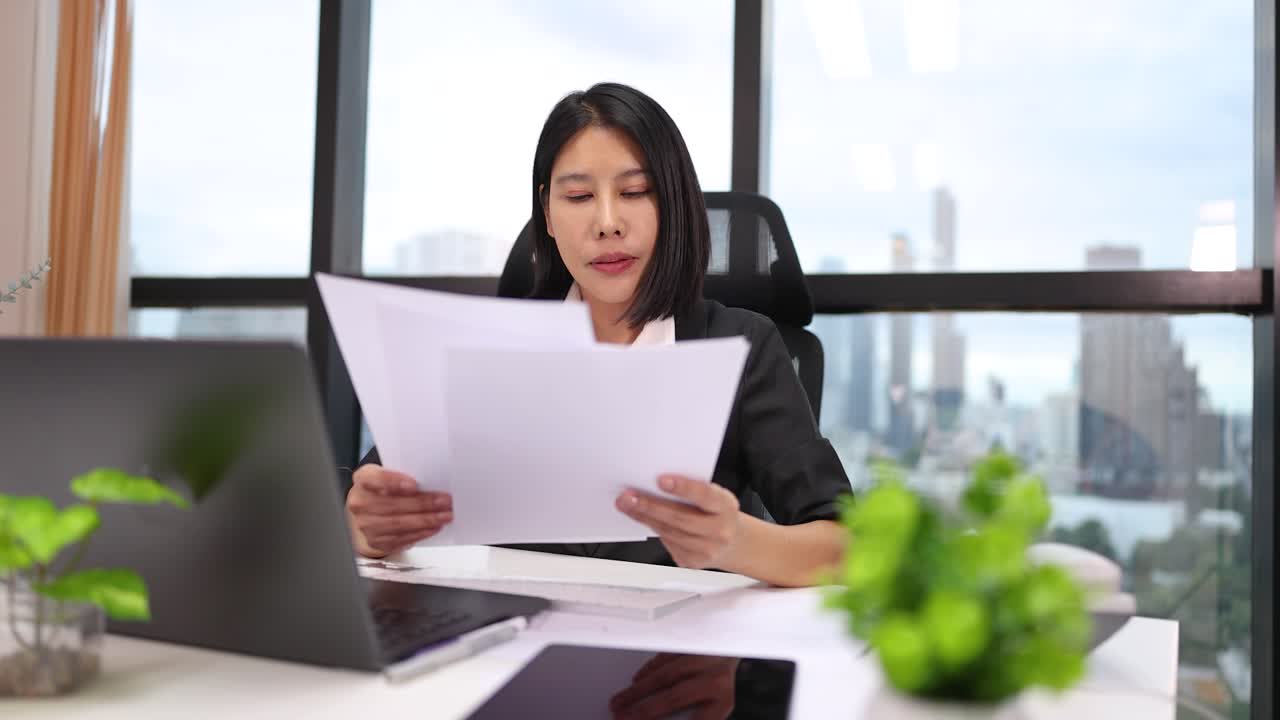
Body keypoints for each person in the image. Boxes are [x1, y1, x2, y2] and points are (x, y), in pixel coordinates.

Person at [345, 82, 851, 588]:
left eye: (634, 192)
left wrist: (736, 541)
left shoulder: (742, 346)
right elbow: (362, 516)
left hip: (681, 656)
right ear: (547, 211)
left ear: (672, 204)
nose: (608, 223)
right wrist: (370, 528)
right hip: (515, 641)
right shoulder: (492, 347)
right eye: (579, 196)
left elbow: (845, 548)